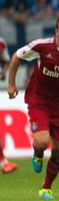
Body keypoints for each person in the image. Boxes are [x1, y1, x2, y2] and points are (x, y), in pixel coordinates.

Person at [7, 14, 59, 199]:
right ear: (56, 31)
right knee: (43, 142)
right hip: (39, 101)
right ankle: (37, 152)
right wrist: (11, 84)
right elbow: (16, 57)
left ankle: (46, 187)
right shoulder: (41, 46)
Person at [0, 37, 19, 174]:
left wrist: (3, 72)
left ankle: (4, 162)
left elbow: (5, 60)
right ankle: (4, 162)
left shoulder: (1, 43)